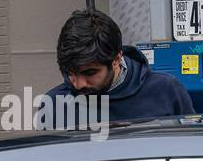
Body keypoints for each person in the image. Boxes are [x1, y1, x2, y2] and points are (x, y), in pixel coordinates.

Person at [42, 9, 194, 123]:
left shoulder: (166, 91)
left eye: (90, 72)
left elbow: (190, 150)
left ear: (116, 60)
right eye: (71, 72)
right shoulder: (54, 103)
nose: (79, 84)